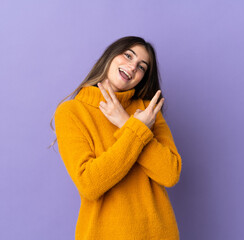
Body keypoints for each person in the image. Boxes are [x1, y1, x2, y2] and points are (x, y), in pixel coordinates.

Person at [49, 36, 182, 240]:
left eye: (141, 67)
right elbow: (89, 185)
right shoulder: (71, 112)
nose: (132, 67)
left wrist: (125, 122)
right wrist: (135, 129)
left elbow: (170, 173)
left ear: (142, 78)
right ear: (110, 56)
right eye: (128, 55)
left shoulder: (148, 110)